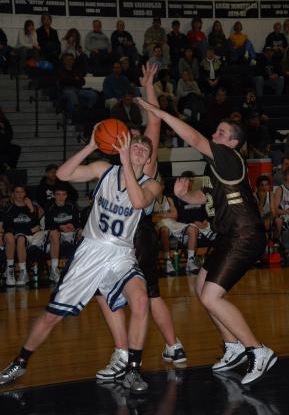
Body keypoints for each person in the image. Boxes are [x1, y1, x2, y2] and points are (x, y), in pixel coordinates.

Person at [0, 127, 161, 393]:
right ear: (124, 148)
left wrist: (128, 166)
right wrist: (89, 145)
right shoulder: (103, 169)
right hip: (91, 250)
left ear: (147, 161)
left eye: (145, 150)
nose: (140, 150)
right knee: (53, 315)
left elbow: (136, 202)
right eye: (136, 146)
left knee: (141, 300)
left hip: (121, 253)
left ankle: (133, 369)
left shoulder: (152, 183)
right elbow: (63, 175)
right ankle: (20, 361)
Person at [137, 98, 277, 386]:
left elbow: (194, 137)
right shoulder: (219, 168)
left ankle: (257, 350)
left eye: (222, 133)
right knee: (201, 288)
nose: (215, 135)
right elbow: (207, 198)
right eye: (217, 131)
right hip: (229, 236)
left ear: (233, 143)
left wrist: (160, 113)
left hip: (244, 234)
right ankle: (233, 346)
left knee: (211, 296)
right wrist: (185, 195)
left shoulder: (226, 156)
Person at [95, 64, 187, 383]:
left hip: (136, 236)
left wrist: (148, 88)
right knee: (150, 294)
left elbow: (155, 122)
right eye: (129, 139)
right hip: (130, 235)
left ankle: (124, 354)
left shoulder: (146, 158)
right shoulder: (121, 162)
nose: (134, 143)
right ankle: (173, 346)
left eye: (137, 140)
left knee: (115, 295)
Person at [3, 184, 45, 287]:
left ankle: (23, 272)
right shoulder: (8, 208)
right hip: (15, 237)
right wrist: (28, 229)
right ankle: (10, 271)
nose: (19, 194)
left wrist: (31, 209)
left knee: (21, 237)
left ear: (25, 194)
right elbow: (7, 227)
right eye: (17, 192)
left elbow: (37, 226)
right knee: (11, 236)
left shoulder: (31, 207)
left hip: (29, 238)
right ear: (13, 194)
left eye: (22, 192)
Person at [44, 182, 80, 283]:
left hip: (69, 232)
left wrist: (72, 226)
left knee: (81, 233)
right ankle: (54, 270)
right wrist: (60, 226)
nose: (61, 197)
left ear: (66, 195)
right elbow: (48, 224)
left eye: (63, 194)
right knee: (54, 233)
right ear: (54, 195)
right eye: (58, 194)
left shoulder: (72, 205)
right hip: (55, 234)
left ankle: (79, 267)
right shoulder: (49, 206)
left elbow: (77, 222)